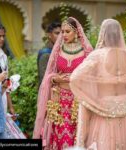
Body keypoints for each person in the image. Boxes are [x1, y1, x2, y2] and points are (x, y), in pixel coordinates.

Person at [70, 19, 126, 150]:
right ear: (120, 34)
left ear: (103, 34)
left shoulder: (97, 56)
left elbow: (75, 78)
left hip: (103, 113)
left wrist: (90, 98)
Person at [33, 17, 93, 150]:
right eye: (62, 32)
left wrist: (76, 78)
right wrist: (55, 79)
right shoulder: (58, 50)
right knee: (59, 134)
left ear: (77, 32)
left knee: (76, 134)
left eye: (67, 32)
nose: (64, 35)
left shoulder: (87, 52)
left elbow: (92, 78)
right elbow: (48, 75)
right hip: (58, 100)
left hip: (78, 101)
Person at [37, 21, 61, 87]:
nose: (60, 36)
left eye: (61, 33)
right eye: (57, 33)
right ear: (49, 35)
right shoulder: (45, 53)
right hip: (49, 92)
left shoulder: (60, 50)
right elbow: (44, 79)